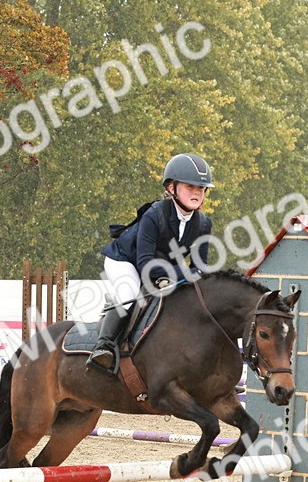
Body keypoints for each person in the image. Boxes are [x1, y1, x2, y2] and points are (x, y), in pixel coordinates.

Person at [87, 153, 215, 374]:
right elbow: (146, 265)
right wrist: (186, 273)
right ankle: (103, 346)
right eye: (190, 186)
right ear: (171, 188)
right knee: (130, 293)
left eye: (202, 188)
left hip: (162, 267)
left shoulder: (203, 223)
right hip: (125, 261)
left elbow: (200, 267)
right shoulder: (154, 215)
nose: (197, 193)